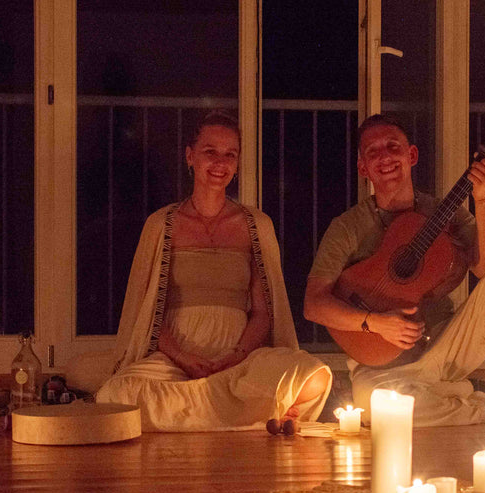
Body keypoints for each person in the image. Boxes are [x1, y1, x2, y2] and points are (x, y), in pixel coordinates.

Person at [303, 114, 485, 432]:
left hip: (445, 347)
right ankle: (480, 405)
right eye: (373, 151)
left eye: (393, 146)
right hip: (382, 366)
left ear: (412, 155)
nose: (385, 156)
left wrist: (482, 196)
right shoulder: (347, 227)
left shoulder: (442, 212)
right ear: (363, 167)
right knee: (376, 407)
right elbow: (314, 304)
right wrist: (376, 323)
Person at [97, 111, 332, 431]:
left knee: (313, 374)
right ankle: (241, 413)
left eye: (229, 155)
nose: (220, 162)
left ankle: (198, 413)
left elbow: (264, 314)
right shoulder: (161, 224)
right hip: (175, 364)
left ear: (236, 164)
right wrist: (182, 358)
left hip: (239, 362)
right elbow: (149, 312)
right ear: (190, 156)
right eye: (210, 152)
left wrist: (235, 356)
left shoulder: (255, 225)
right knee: (117, 393)